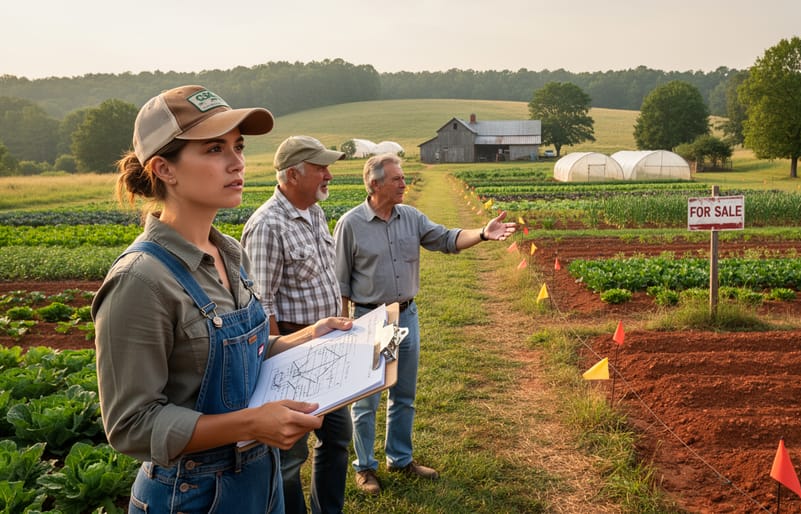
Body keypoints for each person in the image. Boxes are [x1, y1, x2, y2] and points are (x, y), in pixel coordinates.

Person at [92, 85, 352, 513]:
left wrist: (308, 336)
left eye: (238, 146)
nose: (237, 162)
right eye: (214, 149)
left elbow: (239, 353)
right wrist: (250, 423)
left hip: (257, 477)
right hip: (191, 494)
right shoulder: (141, 281)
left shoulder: (230, 252)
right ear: (165, 169)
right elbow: (131, 425)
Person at [333, 153, 517, 495]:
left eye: (404, 178)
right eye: (397, 179)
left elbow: (446, 239)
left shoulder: (411, 217)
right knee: (367, 399)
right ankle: (365, 467)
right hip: (370, 320)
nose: (404, 183)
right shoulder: (350, 224)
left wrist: (482, 233)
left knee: (404, 393)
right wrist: (346, 327)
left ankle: (400, 459)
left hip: (406, 315)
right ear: (374, 184)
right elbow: (340, 283)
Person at [241, 135, 350, 514]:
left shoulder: (315, 212)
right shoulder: (267, 225)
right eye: (320, 168)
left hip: (329, 347)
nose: (329, 175)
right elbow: (261, 303)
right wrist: (279, 365)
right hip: (294, 349)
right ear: (292, 174)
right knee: (290, 456)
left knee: (337, 438)